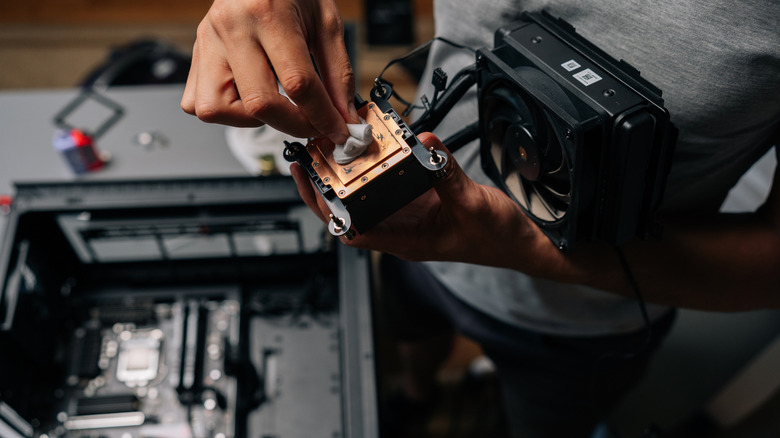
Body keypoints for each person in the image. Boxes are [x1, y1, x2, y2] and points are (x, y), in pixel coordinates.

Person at [182, 0, 780, 436]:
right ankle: (418, 393)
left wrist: (522, 245)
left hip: (585, 318)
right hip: (412, 230)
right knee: (414, 337)